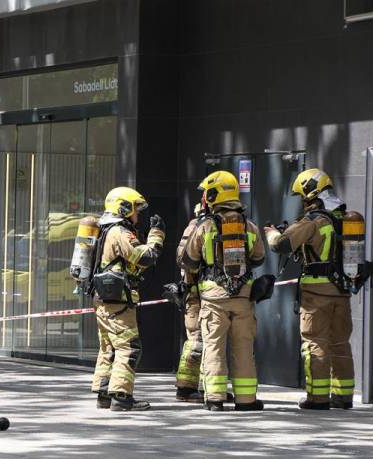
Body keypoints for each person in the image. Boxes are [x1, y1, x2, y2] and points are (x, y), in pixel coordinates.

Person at [264, 168, 365, 410]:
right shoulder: (345, 220)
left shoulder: (314, 221)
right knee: (340, 343)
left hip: (316, 294)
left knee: (315, 343)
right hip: (342, 290)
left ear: (311, 194)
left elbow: (282, 244)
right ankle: (343, 396)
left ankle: (317, 398)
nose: (302, 202)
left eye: (302, 196)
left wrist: (271, 233)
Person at [181, 171, 266, 411]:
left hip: (213, 297)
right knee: (243, 349)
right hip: (243, 298)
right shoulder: (249, 226)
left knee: (214, 348)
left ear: (214, 194)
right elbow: (259, 258)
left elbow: (189, 260)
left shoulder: (206, 225)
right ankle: (246, 401)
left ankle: (215, 400)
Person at [88, 186, 165, 411]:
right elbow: (144, 257)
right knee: (128, 347)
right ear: (123, 208)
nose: (137, 215)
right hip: (117, 303)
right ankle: (121, 397)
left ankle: (104, 394)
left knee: (108, 348)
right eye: (135, 210)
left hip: (103, 300)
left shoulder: (104, 230)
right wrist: (157, 234)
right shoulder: (119, 232)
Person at [173, 204, 204, 403]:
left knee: (204, 342)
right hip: (195, 295)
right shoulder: (195, 228)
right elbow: (183, 259)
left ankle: (200, 388)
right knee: (196, 341)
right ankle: (185, 389)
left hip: (201, 293)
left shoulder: (198, 226)